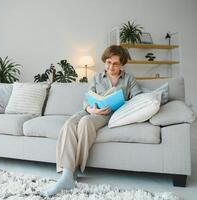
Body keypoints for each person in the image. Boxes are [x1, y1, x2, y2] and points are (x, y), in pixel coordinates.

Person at [42, 45, 142, 197]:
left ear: (121, 64)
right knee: (69, 123)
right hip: (91, 110)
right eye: (108, 62)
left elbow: (138, 99)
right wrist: (91, 109)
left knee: (85, 123)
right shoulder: (96, 78)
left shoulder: (129, 80)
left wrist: (122, 104)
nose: (111, 67)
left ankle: (73, 171)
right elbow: (87, 99)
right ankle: (66, 175)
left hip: (108, 114)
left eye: (115, 63)